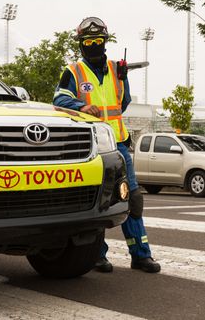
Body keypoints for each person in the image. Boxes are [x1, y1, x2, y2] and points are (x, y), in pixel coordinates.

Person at [53, 17, 161, 273]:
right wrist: (81, 106)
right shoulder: (74, 71)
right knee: (99, 202)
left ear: (105, 42)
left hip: (119, 144)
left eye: (97, 41)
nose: (92, 45)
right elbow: (59, 98)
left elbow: (123, 103)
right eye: (87, 41)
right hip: (92, 148)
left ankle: (141, 255)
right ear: (81, 44)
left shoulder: (116, 69)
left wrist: (123, 79)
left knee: (132, 199)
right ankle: (97, 256)